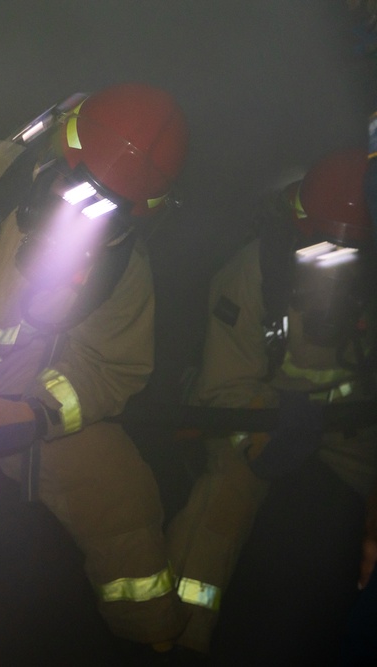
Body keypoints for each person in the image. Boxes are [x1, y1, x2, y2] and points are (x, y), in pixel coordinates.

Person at [0, 82, 191, 657]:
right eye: (77, 191)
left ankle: (158, 641)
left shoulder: (122, 268)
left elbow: (110, 367)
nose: (84, 218)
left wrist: (34, 414)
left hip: (13, 402)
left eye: (110, 214)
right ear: (55, 154)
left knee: (122, 502)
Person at [165, 148, 377, 654]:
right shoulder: (253, 272)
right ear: (300, 226)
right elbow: (222, 390)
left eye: (354, 249)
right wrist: (266, 435)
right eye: (328, 244)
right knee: (218, 510)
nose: (338, 259)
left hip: (352, 434)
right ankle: (177, 636)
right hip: (261, 417)